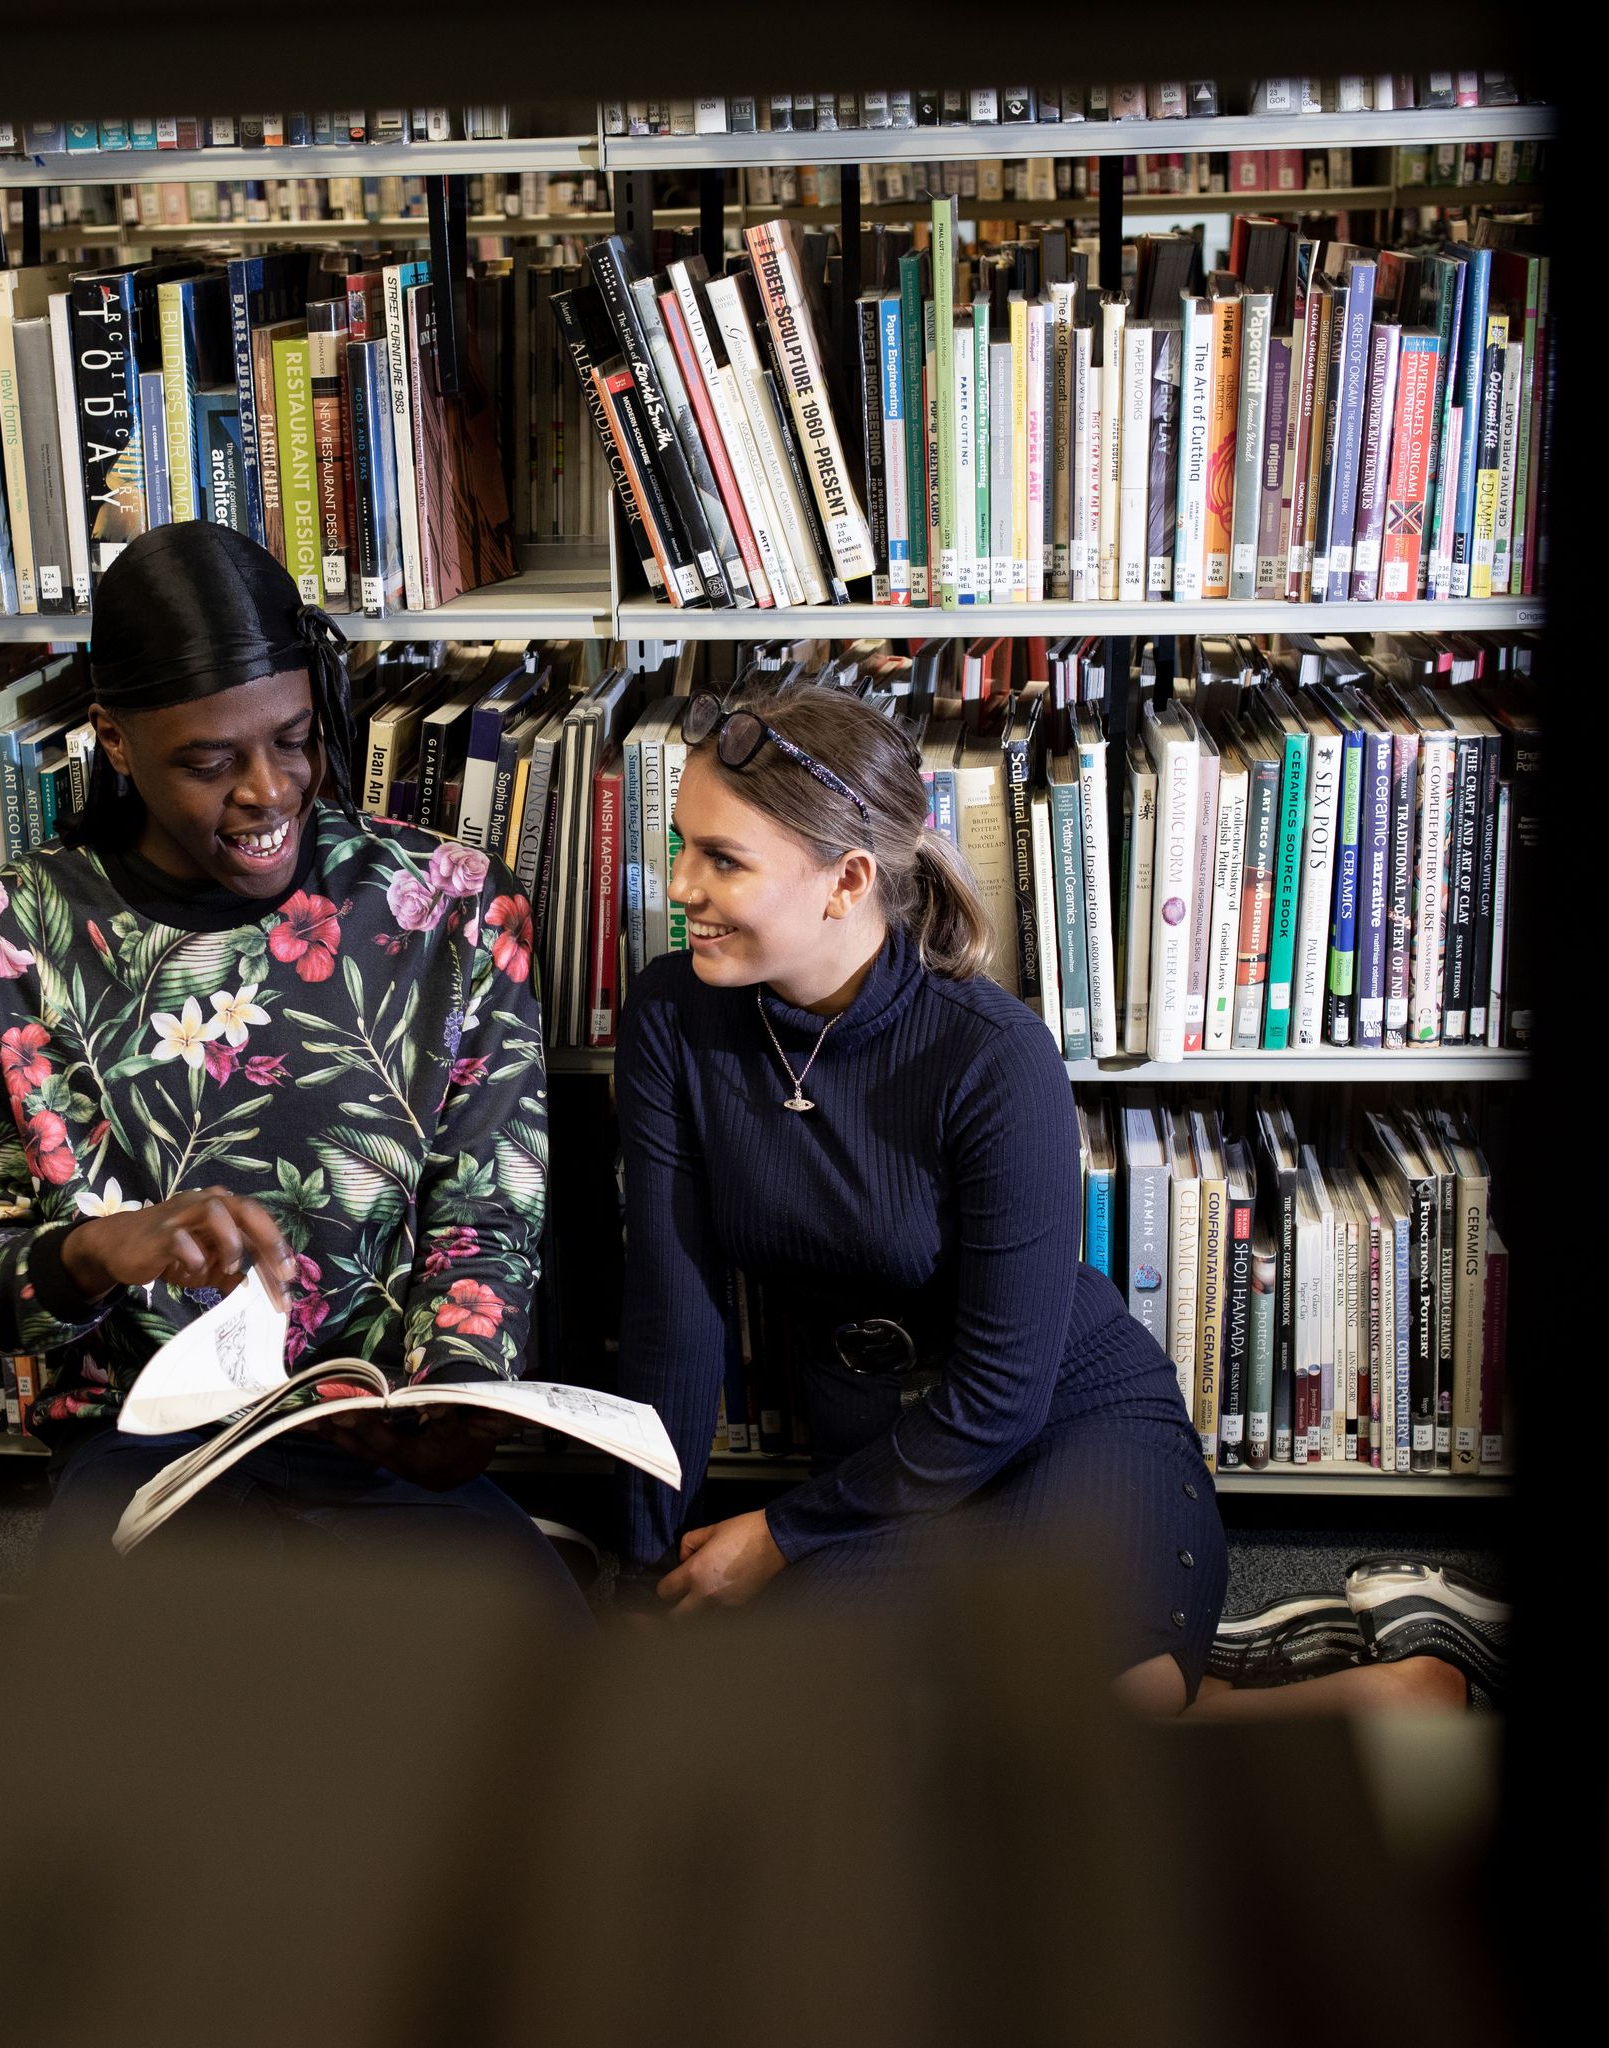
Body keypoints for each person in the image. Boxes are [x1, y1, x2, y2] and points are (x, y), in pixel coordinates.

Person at [610, 687, 1487, 1712]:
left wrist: (782, 1532)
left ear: (847, 879)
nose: (678, 886)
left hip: (1068, 1424)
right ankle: (1256, 1687)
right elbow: (672, 1322)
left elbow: (998, 1397)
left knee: (1093, 1746)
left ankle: (1352, 1696)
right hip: (884, 1468)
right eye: (682, 846)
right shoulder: (673, 1016)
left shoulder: (990, 1053)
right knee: (794, 1731)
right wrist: (641, 1569)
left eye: (722, 858)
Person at [0, 520, 571, 1604]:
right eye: (208, 760)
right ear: (114, 741)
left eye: (293, 738)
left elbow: (486, 1216)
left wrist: (461, 1390)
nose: (268, 791)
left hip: (384, 1442)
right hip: (147, 1459)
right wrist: (97, 1251)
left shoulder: (452, 906)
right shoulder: (0, 937)